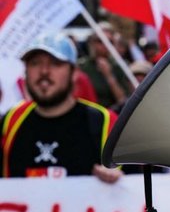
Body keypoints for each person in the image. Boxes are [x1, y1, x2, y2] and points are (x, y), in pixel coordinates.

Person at [1, 32, 121, 182]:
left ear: (74, 73)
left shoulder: (104, 122)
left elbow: (136, 185)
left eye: (55, 63)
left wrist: (119, 179)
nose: (44, 71)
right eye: (35, 63)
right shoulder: (11, 120)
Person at [77, 22, 134, 109]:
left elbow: (124, 101)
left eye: (109, 41)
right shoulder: (82, 66)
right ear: (92, 43)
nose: (104, 45)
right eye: (100, 41)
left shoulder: (122, 66)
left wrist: (109, 76)